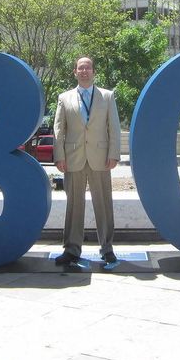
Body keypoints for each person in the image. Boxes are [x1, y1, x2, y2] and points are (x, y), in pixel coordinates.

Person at [53, 56, 122, 269]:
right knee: (74, 206)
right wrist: (59, 156)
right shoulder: (64, 98)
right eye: (80, 68)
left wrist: (114, 154)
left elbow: (114, 128)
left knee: (104, 205)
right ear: (75, 72)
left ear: (93, 72)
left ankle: (107, 249)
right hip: (73, 159)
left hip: (101, 158)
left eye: (88, 68)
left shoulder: (107, 96)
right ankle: (71, 249)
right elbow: (58, 129)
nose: (84, 71)